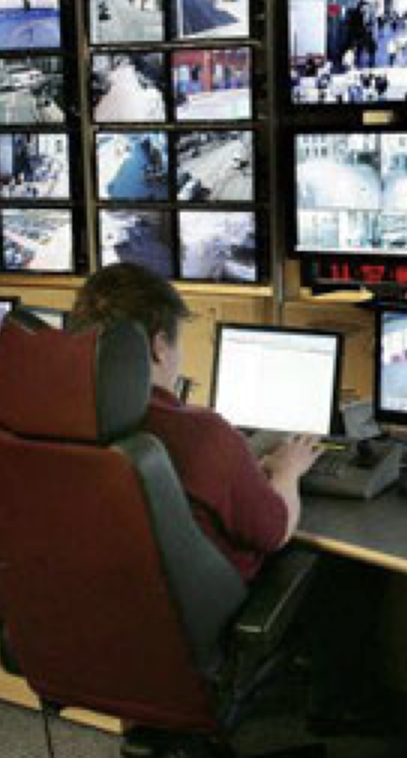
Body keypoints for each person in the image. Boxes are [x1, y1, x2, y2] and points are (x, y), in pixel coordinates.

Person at [68, 263, 383, 732]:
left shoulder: (57, 417)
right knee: (344, 565)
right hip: (201, 624)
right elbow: (274, 531)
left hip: (102, 624)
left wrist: (241, 469)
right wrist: (288, 472)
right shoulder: (200, 433)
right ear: (158, 346)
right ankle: (336, 710)